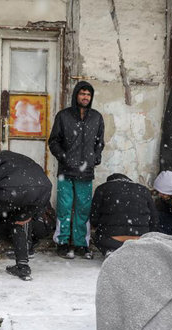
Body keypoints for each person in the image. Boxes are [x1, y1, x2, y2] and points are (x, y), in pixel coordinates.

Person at [0, 148, 52, 281]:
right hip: (44, 188)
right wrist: (32, 213)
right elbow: (38, 181)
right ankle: (22, 266)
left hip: (11, 190)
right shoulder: (12, 158)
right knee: (20, 220)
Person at [48, 81, 104, 259]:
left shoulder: (96, 117)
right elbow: (54, 141)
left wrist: (95, 157)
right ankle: (62, 242)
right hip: (66, 171)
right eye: (82, 94)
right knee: (64, 207)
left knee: (83, 208)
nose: (85, 97)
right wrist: (64, 157)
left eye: (88, 94)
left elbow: (100, 142)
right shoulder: (63, 116)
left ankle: (82, 244)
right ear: (76, 95)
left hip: (86, 172)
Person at [90, 173, 158, 256]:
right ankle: (135, 250)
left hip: (112, 240)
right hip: (139, 240)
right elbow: (154, 219)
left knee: (97, 235)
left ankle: (110, 250)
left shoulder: (102, 188)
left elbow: (93, 218)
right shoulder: (144, 190)